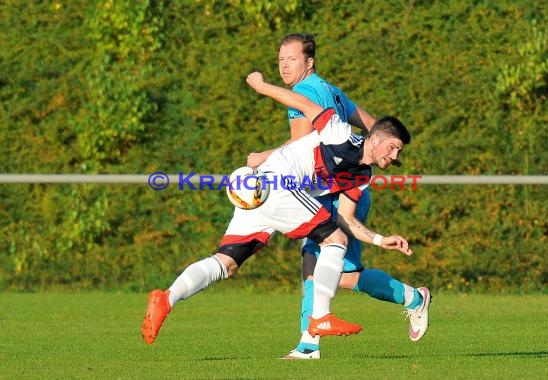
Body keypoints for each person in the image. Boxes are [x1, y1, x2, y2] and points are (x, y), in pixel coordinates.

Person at [141, 71, 417, 349]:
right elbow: (303, 103)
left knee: (227, 262)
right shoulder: (339, 132)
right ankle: (320, 317)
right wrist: (262, 87)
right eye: (393, 147)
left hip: (259, 193)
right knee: (335, 240)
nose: (394, 157)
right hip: (278, 185)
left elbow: (346, 218)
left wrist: (381, 240)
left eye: (399, 152)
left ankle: (166, 299)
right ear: (375, 138)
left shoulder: (361, 174)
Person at [247, 34, 431, 360]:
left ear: (309, 62)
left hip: (338, 191)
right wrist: (379, 151)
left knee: (324, 268)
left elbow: (302, 146)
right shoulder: (332, 89)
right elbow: (373, 125)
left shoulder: (303, 92)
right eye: (280, 59)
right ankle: (313, 341)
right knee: (327, 270)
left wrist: (262, 157)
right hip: (344, 189)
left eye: (291, 59)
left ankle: (312, 342)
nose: (284, 65)